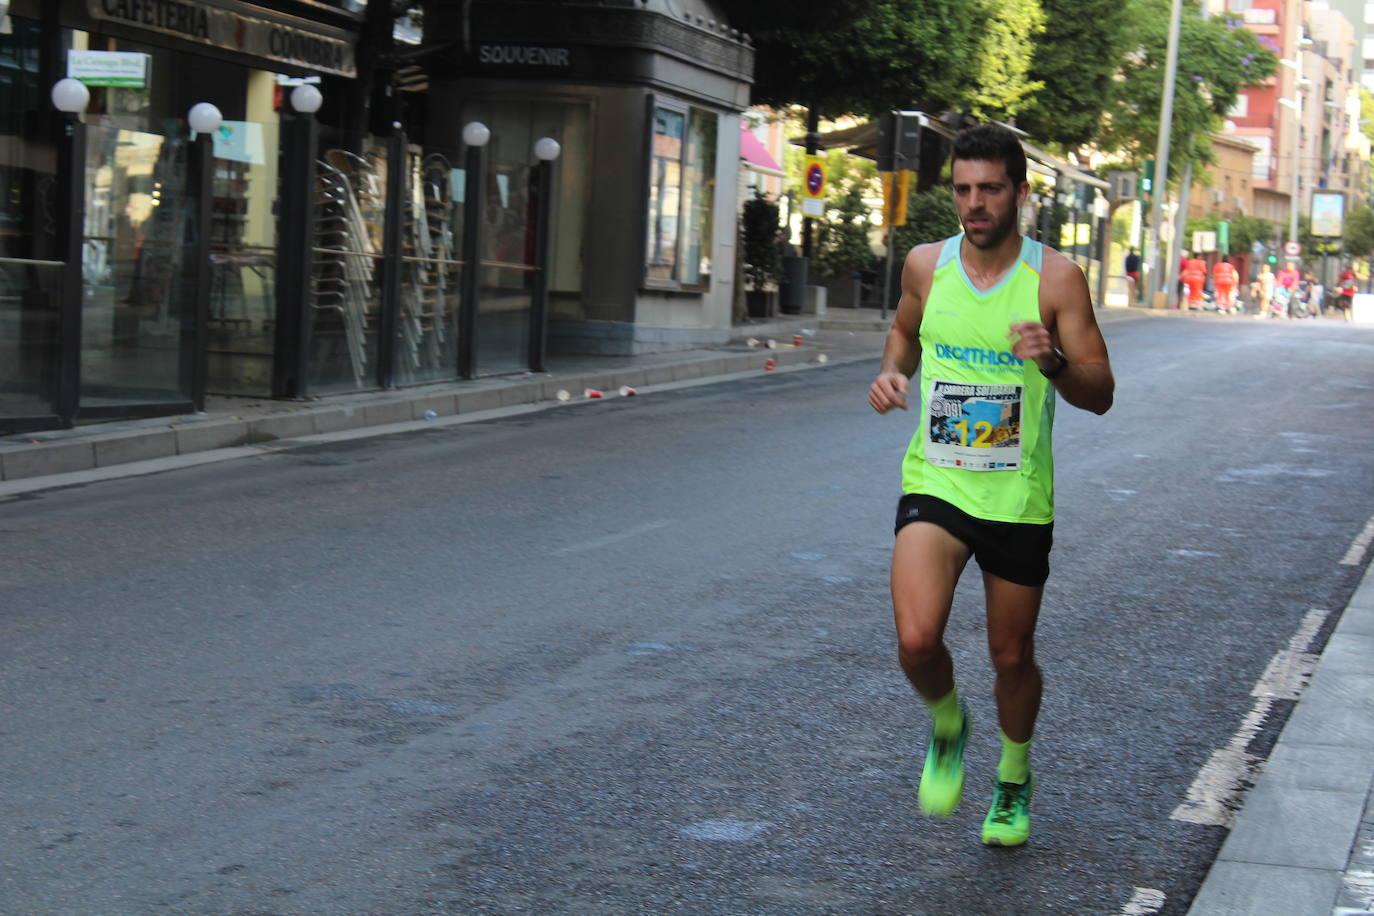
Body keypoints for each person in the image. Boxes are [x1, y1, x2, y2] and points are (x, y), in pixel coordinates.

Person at [868, 124, 1115, 848]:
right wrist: (894, 374)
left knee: (1011, 656)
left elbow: (1100, 393)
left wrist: (1056, 362)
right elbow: (905, 333)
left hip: (1015, 496)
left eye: (990, 190)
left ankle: (1013, 779)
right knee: (917, 641)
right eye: (964, 190)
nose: (974, 204)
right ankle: (948, 722)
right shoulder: (924, 264)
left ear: (1020, 194)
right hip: (937, 483)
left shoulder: (1057, 280)